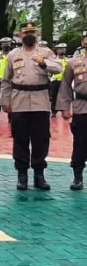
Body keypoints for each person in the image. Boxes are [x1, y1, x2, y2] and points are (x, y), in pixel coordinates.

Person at [0, 22, 61, 190]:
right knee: (20, 139)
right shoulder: (13, 54)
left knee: (41, 139)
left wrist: (43, 63)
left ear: (37, 34)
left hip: (40, 101)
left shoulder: (45, 52)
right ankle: (22, 174)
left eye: (32, 32)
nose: (29, 35)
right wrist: (5, 101)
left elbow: (58, 67)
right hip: (19, 101)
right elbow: (6, 79)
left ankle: (39, 174)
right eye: (26, 32)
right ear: (20, 35)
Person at [58, 34, 87, 190]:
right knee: (80, 143)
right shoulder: (74, 63)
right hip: (81, 106)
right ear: (83, 42)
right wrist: (64, 107)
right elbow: (65, 86)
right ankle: (78, 177)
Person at [0, 37, 12, 124]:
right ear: (1, 45)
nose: (6, 45)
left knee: (10, 99)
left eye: (7, 44)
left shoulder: (13, 54)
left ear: (10, 45)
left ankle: (11, 118)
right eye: (4, 44)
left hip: (10, 80)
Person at [50, 43, 67, 117]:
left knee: (65, 97)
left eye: (63, 49)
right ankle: (54, 111)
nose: (62, 50)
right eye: (60, 49)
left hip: (64, 81)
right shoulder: (54, 60)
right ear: (56, 50)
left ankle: (65, 110)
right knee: (54, 96)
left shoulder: (67, 60)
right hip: (55, 80)